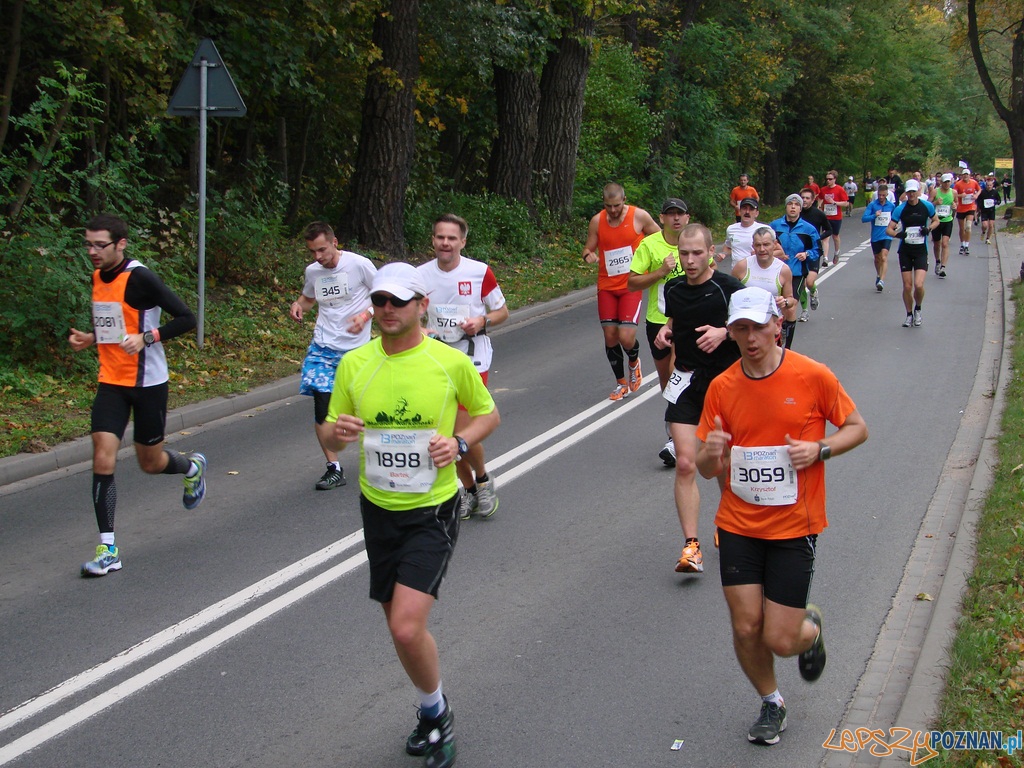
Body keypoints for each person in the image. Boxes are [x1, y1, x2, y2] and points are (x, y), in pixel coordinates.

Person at [325, 262, 500, 768]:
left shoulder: (448, 363)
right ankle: (432, 708)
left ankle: (437, 717)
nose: (385, 310)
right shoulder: (355, 365)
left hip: (432, 508)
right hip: (377, 507)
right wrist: (339, 433)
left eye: (397, 302)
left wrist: (460, 441)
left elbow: (488, 412)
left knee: (405, 626)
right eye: (379, 301)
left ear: (421, 305)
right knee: (395, 621)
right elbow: (332, 432)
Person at [695, 286, 868, 746]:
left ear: (777, 325)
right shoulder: (722, 387)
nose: (751, 338)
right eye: (741, 329)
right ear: (731, 333)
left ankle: (808, 630)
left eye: (758, 327)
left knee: (781, 640)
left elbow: (857, 428)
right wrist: (712, 454)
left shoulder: (812, 376)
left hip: (796, 526)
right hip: (738, 525)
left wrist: (820, 448)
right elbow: (707, 465)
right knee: (746, 625)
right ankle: (772, 702)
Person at [69, 214, 208, 577]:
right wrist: (91, 337)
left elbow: (187, 319)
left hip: (148, 382)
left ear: (121, 244)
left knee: (151, 462)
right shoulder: (98, 276)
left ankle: (192, 467)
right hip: (111, 381)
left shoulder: (141, 277)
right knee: (103, 457)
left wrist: (147, 338)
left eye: (100, 245)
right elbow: (114, 324)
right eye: (89, 244)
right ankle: (108, 548)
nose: (93, 252)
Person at [654, 224, 744, 574]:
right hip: (687, 384)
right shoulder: (674, 287)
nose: (689, 260)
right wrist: (667, 331)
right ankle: (692, 546)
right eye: (684, 253)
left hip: (725, 386)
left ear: (711, 252)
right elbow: (676, 321)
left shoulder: (728, 288)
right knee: (687, 463)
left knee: (721, 461)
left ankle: (728, 519)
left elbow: (759, 324)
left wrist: (725, 332)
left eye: (696, 253)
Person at [418, 214, 509, 520]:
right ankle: (469, 488)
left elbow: (502, 311)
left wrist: (482, 321)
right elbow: (409, 315)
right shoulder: (419, 276)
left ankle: (482, 480)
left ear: (463, 242)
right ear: (433, 240)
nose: (445, 243)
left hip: (472, 356)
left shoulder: (479, 272)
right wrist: (421, 332)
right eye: (440, 237)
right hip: (435, 359)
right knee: (442, 431)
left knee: (460, 428)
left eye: (452, 238)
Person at [290, 221, 377, 490]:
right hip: (323, 348)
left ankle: (383, 456)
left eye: (322, 250)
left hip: (357, 352)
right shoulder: (313, 272)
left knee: (370, 408)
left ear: (335, 242)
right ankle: (333, 468)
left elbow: (384, 296)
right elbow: (308, 298)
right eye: (313, 252)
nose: (318, 257)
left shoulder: (359, 265)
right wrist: (298, 305)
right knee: (322, 409)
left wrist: (365, 316)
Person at [582, 183, 661, 401]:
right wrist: (588, 255)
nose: (613, 210)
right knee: (610, 336)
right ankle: (621, 383)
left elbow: (660, 238)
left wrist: (648, 256)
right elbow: (588, 248)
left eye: (617, 205)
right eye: (609, 206)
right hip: (606, 285)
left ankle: (634, 363)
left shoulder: (639, 216)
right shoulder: (597, 221)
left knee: (626, 337)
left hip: (630, 285)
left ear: (624, 200)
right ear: (603, 203)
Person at [628, 198, 690, 467]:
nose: (676, 218)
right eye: (670, 214)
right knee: (668, 384)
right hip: (657, 321)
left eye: (680, 214)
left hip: (687, 321)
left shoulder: (693, 245)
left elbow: (708, 275)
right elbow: (632, 283)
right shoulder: (649, 245)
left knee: (680, 374)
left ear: (688, 218)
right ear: (661, 218)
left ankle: (676, 441)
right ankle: (676, 429)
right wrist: (661, 272)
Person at [731, 226, 797, 345]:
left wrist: (785, 302)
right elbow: (729, 296)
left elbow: (791, 299)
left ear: (774, 244)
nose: (762, 249)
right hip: (747, 325)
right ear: (753, 246)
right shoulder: (742, 266)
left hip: (769, 326)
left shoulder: (783, 270)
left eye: (766, 244)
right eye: (758, 245)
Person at [886, 179, 938, 327]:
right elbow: (889, 229)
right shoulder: (900, 209)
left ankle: (918, 309)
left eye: (913, 192)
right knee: (907, 286)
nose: (911, 194)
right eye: (909, 192)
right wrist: (898, 235)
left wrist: (928, 229)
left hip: (921, 250)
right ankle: (909, 314)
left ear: (918, 192)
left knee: (919, 284)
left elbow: (936, 220)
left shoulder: (926, 206)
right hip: (905, 251)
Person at [773, 194, 821, 339]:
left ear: (800, 208)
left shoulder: (808, 228)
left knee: (790, 305)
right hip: (777, 272)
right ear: (786, 206)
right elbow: (765, 246)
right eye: (790, 204)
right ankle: (779, 330)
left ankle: (786, 339)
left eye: (796, 204)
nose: (793, 207)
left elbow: (818, 250)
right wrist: (776, 254)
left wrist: (806, 254)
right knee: (777, 306)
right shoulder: (774, 226)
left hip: (797, 272)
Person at [798, 189, 831, 317]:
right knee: (800, 283)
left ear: (813, 200)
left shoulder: (818, 214)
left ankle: (813, 291)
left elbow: (829, 230)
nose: (804, 200)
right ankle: (804, 311)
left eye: (807, 198)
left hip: (813, 251)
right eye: (803, 198)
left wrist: (818, 238)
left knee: (809, 282)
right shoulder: (795, 214)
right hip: (798, 252)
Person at [862, 182, 896, 291]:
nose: (881, 197)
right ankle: (878, 275)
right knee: (877, 259)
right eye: (879, 195)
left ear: (887, 195)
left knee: (884, 256)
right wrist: (874, 215)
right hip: (875, 236)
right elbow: (864, 218)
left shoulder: (891, 206)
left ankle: (882, 280)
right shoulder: (872, 205)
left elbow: (896, 219)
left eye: (883, 195)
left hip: (887, 235)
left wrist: (894, 226)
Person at [817, 170, 850, 264]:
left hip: (836, 217)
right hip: (826, 217)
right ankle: (825, 258)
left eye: (830, 179)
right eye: (827, 179)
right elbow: (820, 197)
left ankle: (837, 252)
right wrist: (819, 206)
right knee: (825, 237)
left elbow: (846, 203)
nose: (828, 181)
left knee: (835, 236)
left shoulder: (839, 189)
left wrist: (835, 202)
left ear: (835, 179)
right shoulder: (823, 189)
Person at [721, 197, 762, 268]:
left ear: (756, 213)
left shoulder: (763, 229)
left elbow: (779, 251)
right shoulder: (731, 229)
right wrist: (723, 254)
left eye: (751, 209)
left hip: (756, 272)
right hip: (736, 272)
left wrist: (760, 253)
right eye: (744, 208)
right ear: (739, 211)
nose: (747, 212)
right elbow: (728, 246)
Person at [929, 173, 956, 278]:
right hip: (937, 221)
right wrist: (935, 203)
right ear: (941, 182)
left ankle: (943, 267)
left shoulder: (953, 192)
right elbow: (927, 204)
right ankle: (937, 261)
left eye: (948, 182)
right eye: (945, 182)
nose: (947, 184)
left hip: (948, 220)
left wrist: (954, 206)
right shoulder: (935, 191)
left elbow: (956, 203)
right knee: (937, 244)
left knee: (945, 243)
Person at [954, 168, 980, 255]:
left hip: (970, 207)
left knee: (968, 226)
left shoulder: (974, 182)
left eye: (967, 174)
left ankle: (966, 245)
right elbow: (953, 194)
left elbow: (979, 189)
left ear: (970, 175)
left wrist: (976, 195)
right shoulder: (958, 184)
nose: (965, 176)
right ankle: (962, 245)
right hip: (961, 208)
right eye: (964, 174)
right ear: (962, 175)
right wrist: (961, 195)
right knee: (962, 228)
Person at [978, 175, 1001, 245]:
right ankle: (983, 232)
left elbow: (999, 200)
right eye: (988, 185)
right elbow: (978, 200)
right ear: (986, 185)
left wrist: (996, 202)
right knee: (985, 225)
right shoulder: (982, 192)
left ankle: (988, 238)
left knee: (991, 225)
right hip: (984, 211)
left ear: (992, 185)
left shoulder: (995, 192)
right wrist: (980, 206)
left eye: (990, 185)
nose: (989, 186)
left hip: (991, 211)